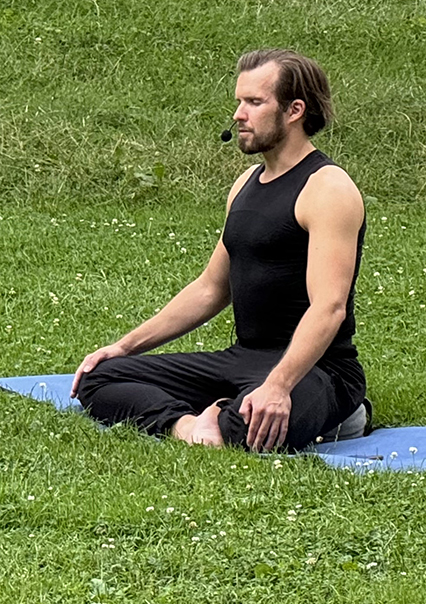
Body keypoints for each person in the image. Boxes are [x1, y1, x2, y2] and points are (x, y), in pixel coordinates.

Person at [72, 49, 368, 452]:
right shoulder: (246, 182)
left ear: (294, 110)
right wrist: (124, 346)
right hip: (243, 359)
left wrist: (278, 386)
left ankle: (340, 416)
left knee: (255, 429)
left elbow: (328, 307)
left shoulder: (327, 188)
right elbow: (212, 288)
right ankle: (191, 424)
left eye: (254, 103)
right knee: (100, 377)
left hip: (318, 370)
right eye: (239, 102)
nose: (239, 115)